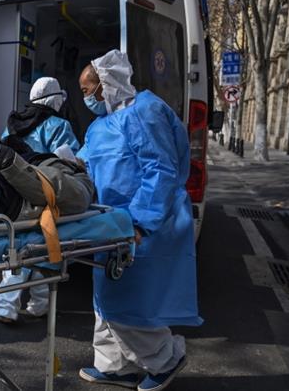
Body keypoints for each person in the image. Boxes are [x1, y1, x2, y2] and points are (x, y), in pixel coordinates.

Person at [75, 50, 201, 391]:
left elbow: (160, 170)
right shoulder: (100, 126)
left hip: (142, 222)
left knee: (131, 303)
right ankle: (114, 365)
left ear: (105, 86)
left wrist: (140, 222)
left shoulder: (145, 112)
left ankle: (165, 359)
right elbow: (83, 163)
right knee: (105, 300)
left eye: (88, 90)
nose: (85, 97)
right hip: (109, 223)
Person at [0, 76, 80, 323]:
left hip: (15, 194)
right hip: (46, 191)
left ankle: (5, 307)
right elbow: (68, 161)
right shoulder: (59, 125)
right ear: (55, 100)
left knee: (17, 247)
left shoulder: (13, 123)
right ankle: (39, 306)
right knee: (46, 248)